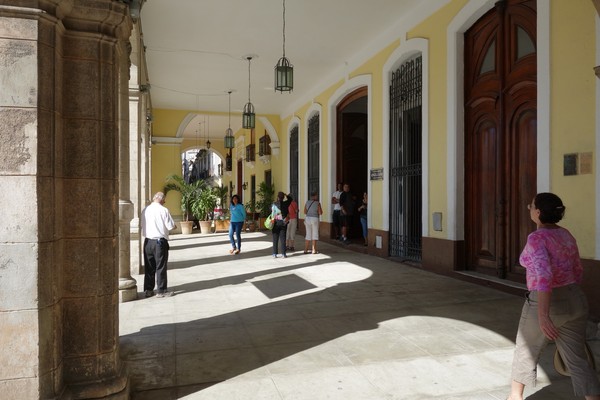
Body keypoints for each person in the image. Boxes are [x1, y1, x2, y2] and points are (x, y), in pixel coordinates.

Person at [508, 193, 600, 400]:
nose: (529, 208)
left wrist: (543, 315)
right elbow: (578, 270)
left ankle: (515, 397)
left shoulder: (537, 238)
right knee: (577, 360)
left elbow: (544, 276)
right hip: (575, 298)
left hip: (547, 301)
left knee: (526, 350)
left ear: (538, 212)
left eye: (531, 205)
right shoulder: (566, 234)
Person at [141, 192, 176, 298]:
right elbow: (170, 226)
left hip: (147, 242)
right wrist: (175, 226)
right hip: (159, 242)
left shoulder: (145, 210)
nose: (164, 202)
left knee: (149, 266)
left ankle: (148, 290)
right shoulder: (163, 210)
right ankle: (161, 291)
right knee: (160, 266)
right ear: (161, 199)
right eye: (164, 200)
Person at [271, 191, 289, 258]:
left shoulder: (274, 204)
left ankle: (274, 254)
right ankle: (283, 254)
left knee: (275, 239)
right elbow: (290, 199)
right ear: (283, 197)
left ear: (277, 197)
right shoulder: (286, 204)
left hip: (276, 222)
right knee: (283, 238)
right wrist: (286, 195)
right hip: (283, 223)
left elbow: (273, 214)